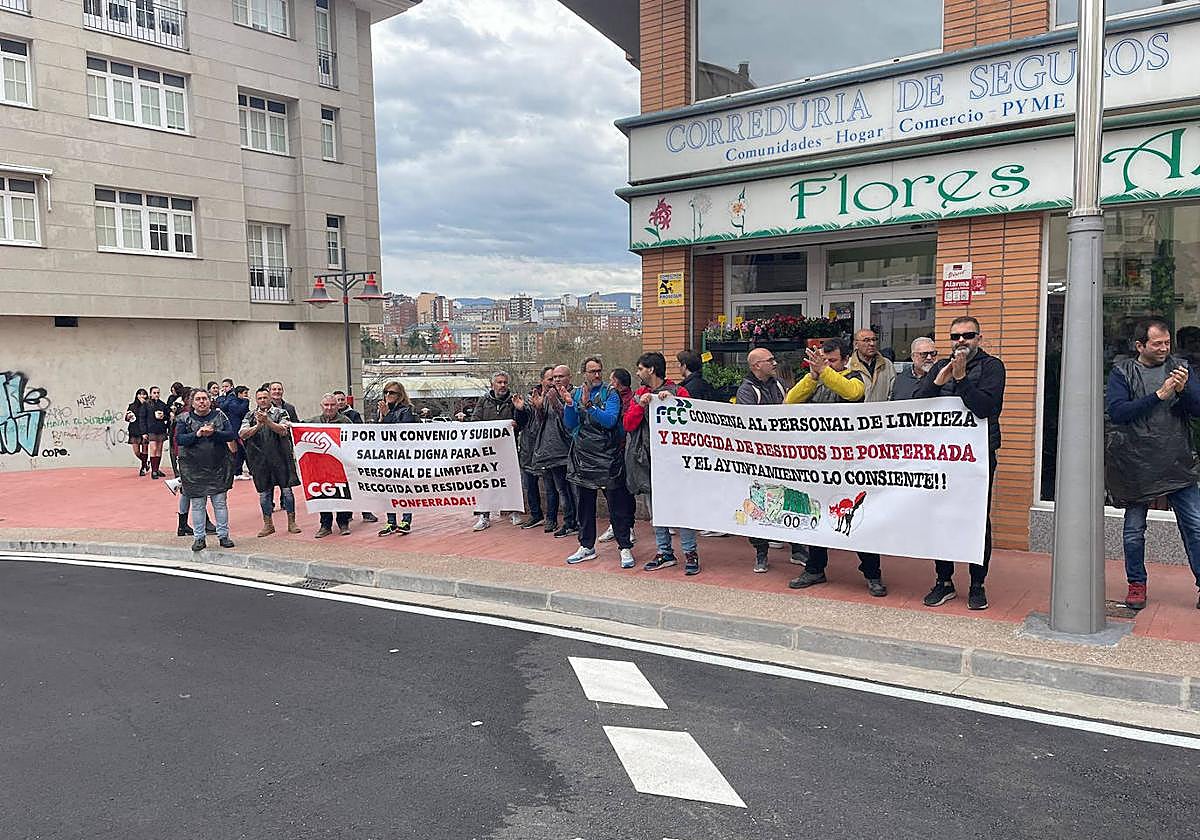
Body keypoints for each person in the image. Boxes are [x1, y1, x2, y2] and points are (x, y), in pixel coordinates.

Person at [1106, 318, 1200, 610]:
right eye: (1157, 343)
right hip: (1136, 464)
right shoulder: (1122, 371)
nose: (1163, 348)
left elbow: (1197, 409)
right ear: (1140, 345)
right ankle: (1136, 584)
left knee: (1196, 526)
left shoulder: (1181, 368)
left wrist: (1184, 391)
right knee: (1134, 531)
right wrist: (1159, 395)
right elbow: (1118, 412)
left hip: (1176, 460)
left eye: (1167, 343)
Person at [917, 316, 1006, 611]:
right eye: (955, 336)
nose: (961, 341)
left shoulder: (992, 367)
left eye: (967, 335)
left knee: (977, 519)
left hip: (977, 457)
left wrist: (962, 379)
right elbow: (917, 402)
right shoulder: (941, 366)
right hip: (941, 457)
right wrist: (939, 381)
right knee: (941, 516)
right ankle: (943, 580)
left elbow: (985, 407)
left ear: (978, 338)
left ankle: (977, 584)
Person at [785, 339, 886, 597]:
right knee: (816, 514)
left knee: (858, 517)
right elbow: (790, 402)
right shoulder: (815, 380)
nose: (826, 365)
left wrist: (824, 371)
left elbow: (852, 393)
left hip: (850, 464)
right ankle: (815, 568)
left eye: (831, 361)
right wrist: (812, 376)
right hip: (819, 464)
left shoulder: (855, 378)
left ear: (845, 360)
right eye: (823, 360)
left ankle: (873, 574)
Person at [736, 348, 809, 572]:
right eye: (769, 360)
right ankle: (761, 552)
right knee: (759, 501)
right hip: (759, 457)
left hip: (784, 455)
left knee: (792, 498)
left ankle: (797, 548)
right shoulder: (746, 391)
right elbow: (748, 423)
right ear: (756, 365)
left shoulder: (779, 384)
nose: (774, 363)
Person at [624, 352, 696, 574]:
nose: (638, 373)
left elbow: (692, 419)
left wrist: (674, 403)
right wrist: (641, 405)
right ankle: (664, 552)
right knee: (656, 510)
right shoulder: (639, 394)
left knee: (681, 508)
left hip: (674, 462)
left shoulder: (678, 391)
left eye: (640, 369)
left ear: (651, 369)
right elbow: (628, 424)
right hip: (648, 461)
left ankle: (690, 553)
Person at [562, 357, 636, 568]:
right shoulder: (576, 393)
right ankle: (586, 546)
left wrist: (589, 407)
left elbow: (610, 420)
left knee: (616, 505)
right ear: (583, 373)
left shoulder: (610, 393)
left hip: (607, 457)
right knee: (584, 505)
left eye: (599, 371)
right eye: (592, 371)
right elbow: (570, 424)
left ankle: (624, 546)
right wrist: (570, 405)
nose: (596, 375)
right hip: (583, 456)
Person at [176, 389, 236, 551]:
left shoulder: (220, 416)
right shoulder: (184, 418)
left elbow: (230, 435)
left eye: (204, 398)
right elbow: (180, 439)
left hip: (218, 466)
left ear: (210, 401)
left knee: (220, 503)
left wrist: (213, 433)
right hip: (193, 468)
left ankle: (223, 535)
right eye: (198, 399)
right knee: (197, 504)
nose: (202, 402)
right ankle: (199, 538)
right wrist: (197, 434)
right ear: (192, 402)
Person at [240, 387, 302, 537]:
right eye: (260, 398)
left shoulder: (281, 412)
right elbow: (242, 434)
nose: (263, 400)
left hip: (281, 458)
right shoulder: (250, 415)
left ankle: (292, 522)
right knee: (264, 494)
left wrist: (267, 421)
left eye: (265, 398)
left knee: (287, 491)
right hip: (260, 461)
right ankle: (268, 524)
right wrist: (258, 425)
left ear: (270, 399)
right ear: (256, 400)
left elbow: (283, 430)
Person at [469, 371, 522, 531]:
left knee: (510, 480)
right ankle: (483, 515)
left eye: (505, 382)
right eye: (499, 382)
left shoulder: (513, 400)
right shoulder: (484, 401)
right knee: (485, 482)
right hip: (487, 450)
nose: (502, 385)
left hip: (508, 449)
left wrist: (517, 421)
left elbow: (522, 421)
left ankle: (514, 511)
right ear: (492, 385)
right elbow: (475, 421)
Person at [531, 364, 578, 537]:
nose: (556, 380)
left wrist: (556, 402)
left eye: (560, 376)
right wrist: (538, 407)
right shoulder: (549, 394)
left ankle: (579, 522)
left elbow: (570, 422)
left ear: (569, 377)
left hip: (570, 450)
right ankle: (569, 522)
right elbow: (541, 423)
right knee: (562, 490)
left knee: (575, 491)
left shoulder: (574, 393)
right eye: (554, 377)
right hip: (552, 451)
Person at [598, 368, 638, 545]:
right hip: (610, 450)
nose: (609, 384)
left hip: (625, 449)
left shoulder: (632, 400)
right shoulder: (607, 397)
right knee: (611, 491)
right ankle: (615, 525)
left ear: (618, 383)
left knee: (625, 492)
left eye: (611, 380)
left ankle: (628, 526)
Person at [306, 394, 354, 538]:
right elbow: (298, 427)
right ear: (321, 406)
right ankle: (325, 525)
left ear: (337, 406)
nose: (329, 408)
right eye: (326, 405)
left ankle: (343, 523)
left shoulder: (346, 422)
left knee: (342, 494)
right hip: (321, 467)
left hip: (340, 466)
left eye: (332, 405)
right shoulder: (313, 421)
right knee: (323, 495)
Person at [377, 380, 419, 536]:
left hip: (403, 457)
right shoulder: (382, 409)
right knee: (388, 489)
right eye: (386, 392)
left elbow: (401, 432)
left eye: (392, 392)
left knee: (405, 489)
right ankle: (391, 521)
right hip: (386, 456)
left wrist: (387, 415)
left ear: (400, 395)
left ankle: (406, 521)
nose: (388, 395)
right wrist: (381, 417)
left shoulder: (406, 410)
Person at [514, 367, 554, 530]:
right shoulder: (530, 398)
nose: (552, 382)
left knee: (551, 487)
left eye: (554, 378)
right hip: (529, 447)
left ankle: (551, 518)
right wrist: (520, 410)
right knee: (530, 485)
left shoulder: (557, 397)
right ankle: (536, 514)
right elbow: (521, 423)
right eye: (549, 379)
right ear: (542, 380)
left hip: (548, 448)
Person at [333, 389, 376, 523]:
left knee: (359, 484)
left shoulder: (354, 415)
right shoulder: (330, 416)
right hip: (338, 455)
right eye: (337, 400)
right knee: (343, 486)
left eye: (342, 399)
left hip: (352, 454)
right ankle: (347, 514)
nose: (340, 402)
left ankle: (366, 512)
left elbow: (360, 432)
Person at [847, 328, 895, 403]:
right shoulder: (848, 365)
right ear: (856, 344)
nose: (872, 344)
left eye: (874, 339)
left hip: (882, 409)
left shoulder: (887, 364)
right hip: (857, 410)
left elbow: (893, 392)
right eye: (866, 340)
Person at [138, 385, 171, 478]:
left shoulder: (162, 404)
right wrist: (143, 432)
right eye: (154, 393)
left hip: (161, 429)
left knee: (159, 449)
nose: (156, 394)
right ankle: (154, 471)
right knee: (153, 449)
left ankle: (156, 469)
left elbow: (168, 416)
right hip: (150, 430)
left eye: (158, 393)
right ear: (150, 394)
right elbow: (142, 418)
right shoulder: (146, 404)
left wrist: (163, 416)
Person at [223, 385, 251, 480]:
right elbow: (240, 411)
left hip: (241, 430)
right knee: (241, 451)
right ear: (239, 394)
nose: (247, 396)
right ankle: (237, 471)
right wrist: (246, 401)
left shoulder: (239, 402)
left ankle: (241, 471)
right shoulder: (233, 403)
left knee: (242, 451)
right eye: (245, 393)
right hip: (237, 430)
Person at [125, 388, 149, 476]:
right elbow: (126, 418)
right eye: (140, 394)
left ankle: (143, 468)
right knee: (136, 451)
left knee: (145, 449)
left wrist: (145, 405)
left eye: (144, 394)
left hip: (145, 429)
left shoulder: (148, 405)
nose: (142, 396)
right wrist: (128, 417)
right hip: (134, 429)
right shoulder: (132, 406)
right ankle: (145, 462)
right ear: (137, 395)